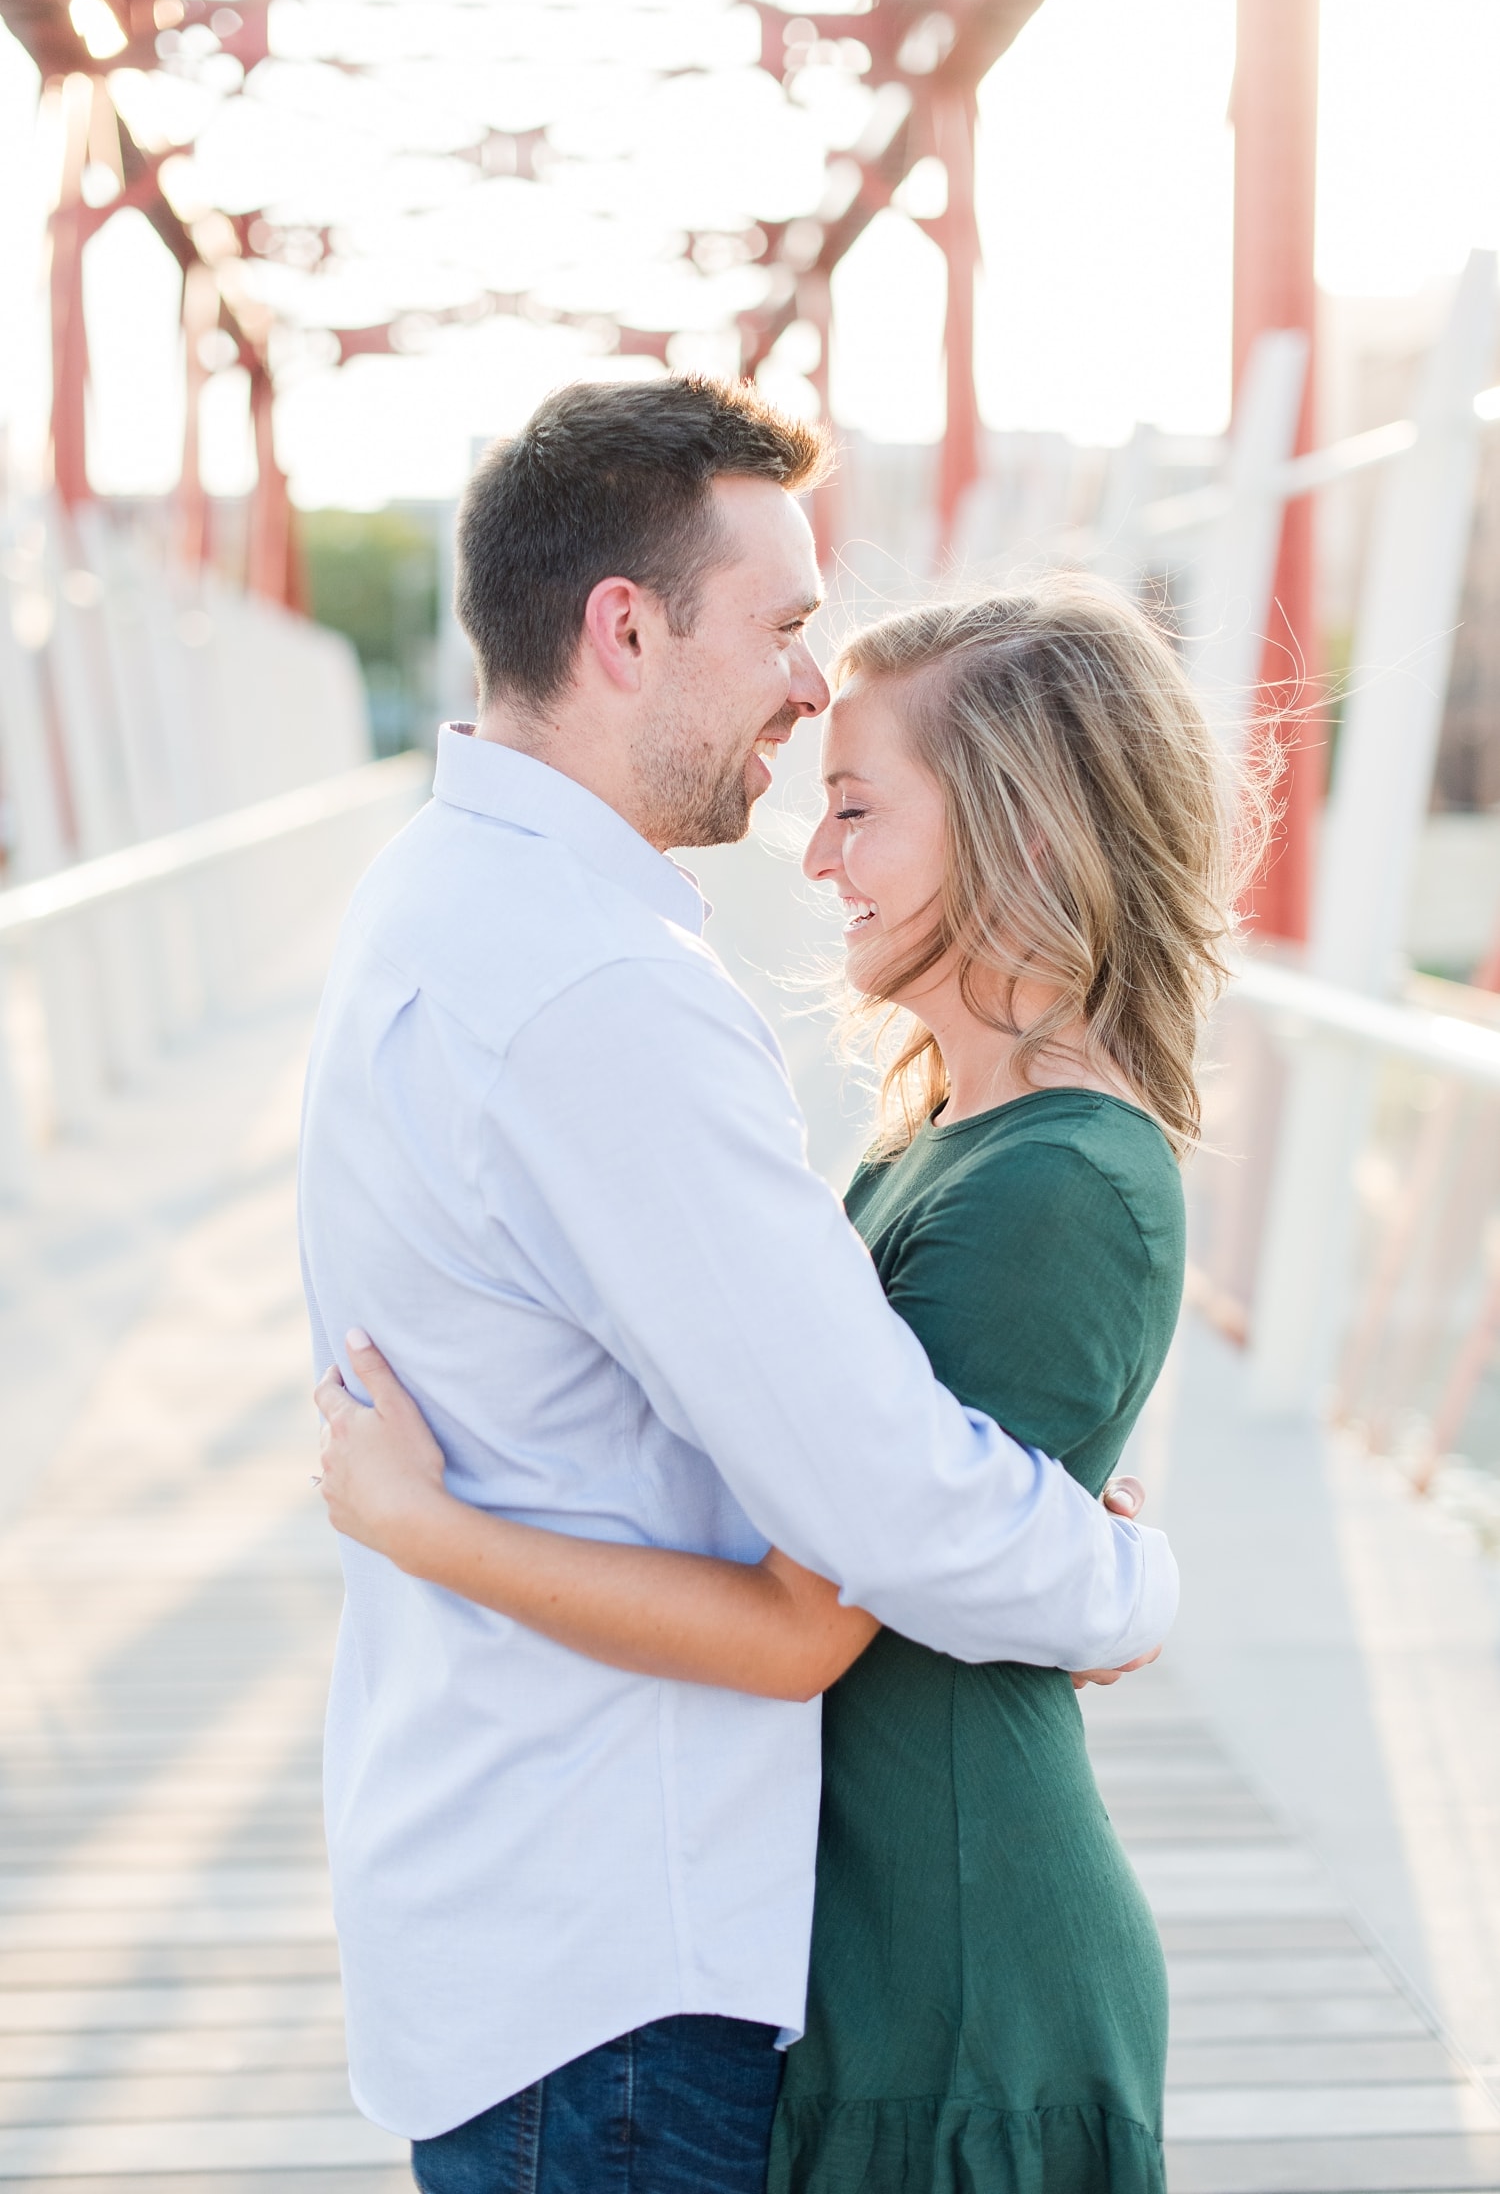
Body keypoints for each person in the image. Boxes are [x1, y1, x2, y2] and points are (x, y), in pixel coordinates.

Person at [297, 376, 1180, 2193]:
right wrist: (1119, 1578)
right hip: (616, 1950)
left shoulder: (437, 894)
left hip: (517, 1895)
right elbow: (872, 1516)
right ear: (626, 628)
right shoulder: (596, 992)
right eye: (780, 624)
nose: (804, 677)